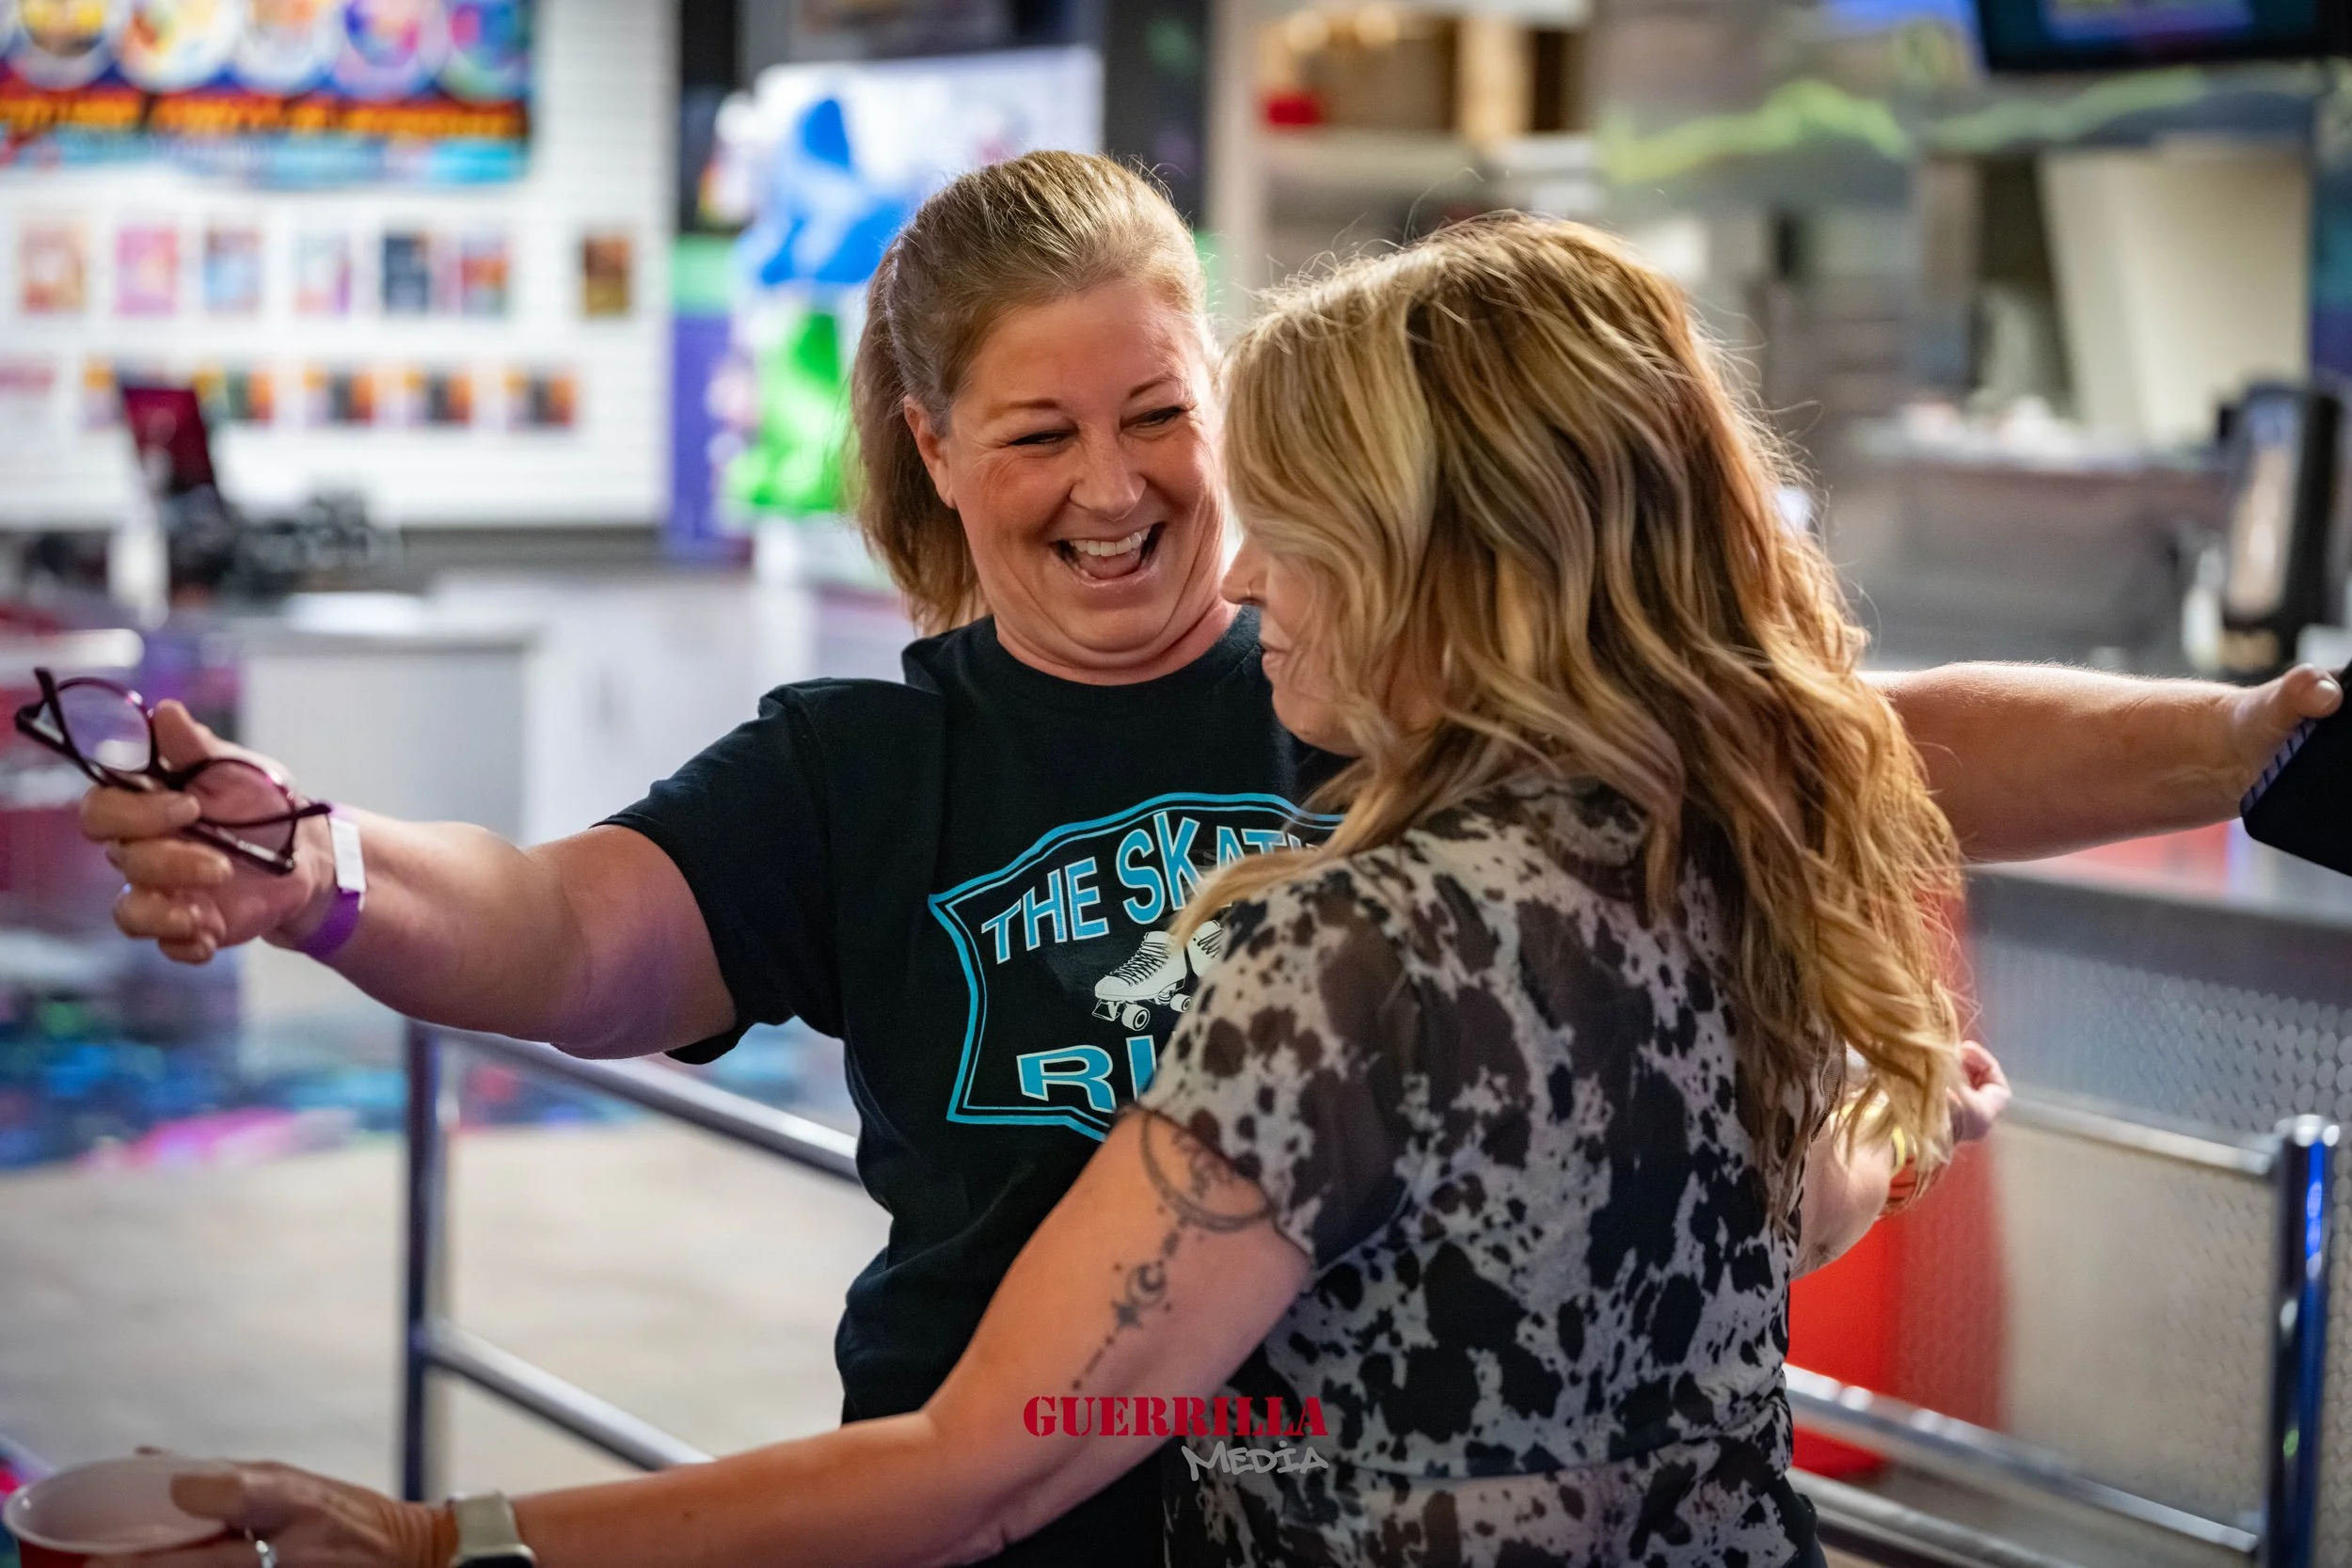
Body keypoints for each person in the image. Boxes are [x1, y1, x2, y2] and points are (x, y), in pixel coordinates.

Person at [83, 153, 2328, 1568]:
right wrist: (324, 866)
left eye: (1165, 415)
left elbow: (1871, 739)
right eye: (1038, 431)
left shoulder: (1445, 805)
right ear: (935, 450)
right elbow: (573, 925)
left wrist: (2253, 739)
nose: (1133, 498)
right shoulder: (877, 760)